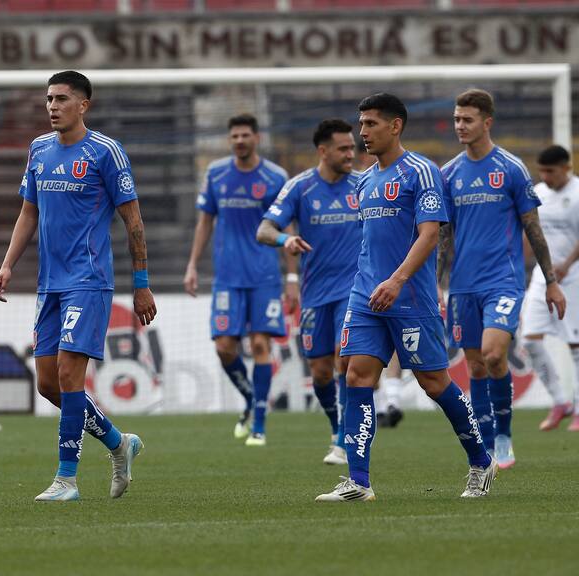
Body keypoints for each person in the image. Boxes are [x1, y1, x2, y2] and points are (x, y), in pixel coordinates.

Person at [316, 93, 495, 502]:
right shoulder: (364, 181)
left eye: (371, 124)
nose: (363, 133)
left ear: (395, 126)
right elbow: (370, 243)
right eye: (360, 125)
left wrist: (396, 281)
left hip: (410, 296)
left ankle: (482, 461)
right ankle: (358, 482)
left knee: (434, 383)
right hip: (365, 295)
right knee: (357, 376)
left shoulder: (421, 171)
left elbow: (430, 234)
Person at [0, 71, 156, 502]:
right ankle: (120, 443)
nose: (52, 106)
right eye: (48, 99)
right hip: (51, 284)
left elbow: (133, 221)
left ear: (83, 105)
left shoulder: (106, 152)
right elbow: (29, 212)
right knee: (48, 383)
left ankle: (67, 480)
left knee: (68, 373)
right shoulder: (39, 149)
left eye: (62, 99)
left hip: (90, 280)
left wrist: (141, 285)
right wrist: (7, 265)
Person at [438, 90, 566, 468]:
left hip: (503, 281)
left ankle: (505, 432)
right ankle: (486, 441)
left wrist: (551, 281)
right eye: (457, 119)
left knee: (495, 354)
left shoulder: (510, 168)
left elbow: (533, 228)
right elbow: (444, 236)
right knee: (476, 365)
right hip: (463, 286)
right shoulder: (449, 174)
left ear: (487, 122)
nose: (460, 126)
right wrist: (435, 284)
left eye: (468, 119)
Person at [184, 113, 292, 446]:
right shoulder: (216, 173)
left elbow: (287, 228)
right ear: (229, 140)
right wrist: (192, 265)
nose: (240, 141)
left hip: (263, 275)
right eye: (235, 136)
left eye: (246, 135)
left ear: (256, 138)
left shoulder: (275, 177)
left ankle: (258, 422)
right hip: (228, 276)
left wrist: (292, 275)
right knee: (224, 347)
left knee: (260, 344)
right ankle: (251, 399)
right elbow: (205, 222)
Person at [256, 118, 360, 465]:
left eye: (352, 147)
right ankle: (337, 429)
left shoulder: (362, 184)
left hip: (355, 289)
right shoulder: (299, 187)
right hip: (315, 293)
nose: (351, 153)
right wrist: (287, 239)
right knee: (319, 371)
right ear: (323, 150)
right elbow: (265, 230)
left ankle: (348, 437)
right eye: (343, 148)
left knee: (344, 358)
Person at [520, 145, 579, 431]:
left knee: (576, 345)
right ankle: (560, 401)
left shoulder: (578, 193)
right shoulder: (539, 193)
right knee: (529, 339)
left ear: (566, 167)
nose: (545, 176)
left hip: (574, 276)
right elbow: (531, 233)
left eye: (550, 171)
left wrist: (567, 264)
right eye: (541, 171)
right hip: (543, 278)